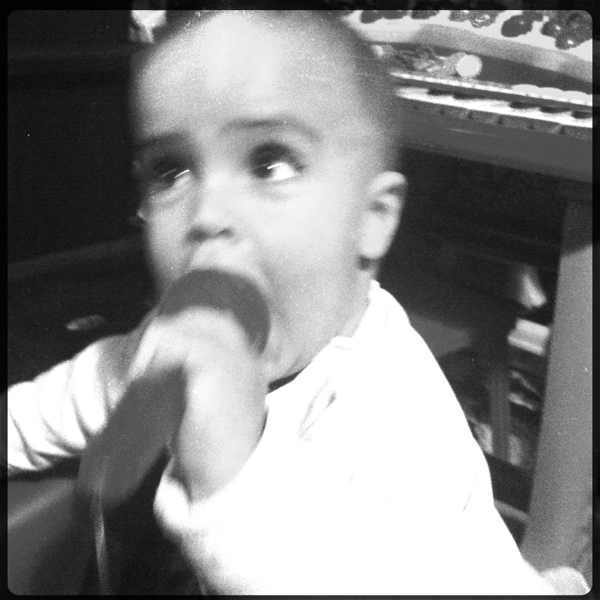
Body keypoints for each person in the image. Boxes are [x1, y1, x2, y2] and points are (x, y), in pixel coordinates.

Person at [5, 10, 580, 595]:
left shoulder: (395, 419)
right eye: (170, 170)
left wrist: (234, 477)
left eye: (270, 163)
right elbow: (78, 394)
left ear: (371, 219)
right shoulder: (178, 344)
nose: (207, 214)